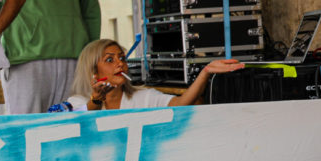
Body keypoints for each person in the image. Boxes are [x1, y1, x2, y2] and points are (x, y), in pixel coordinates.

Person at [65, 39, 245, 110]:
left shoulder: (144, 97)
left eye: (122, 58)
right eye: (110, 60)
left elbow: (181, 103)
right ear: (93, 71)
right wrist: (96, 100)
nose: (120, 63)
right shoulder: (77, 102)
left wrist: (206, 72)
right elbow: (84, 122)